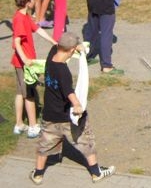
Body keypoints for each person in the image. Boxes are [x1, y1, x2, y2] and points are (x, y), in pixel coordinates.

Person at [30, 32, 115, 185]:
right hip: (67, 117)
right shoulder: (63, 72)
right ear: (72, 50)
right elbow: (68, 91)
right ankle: (96, 173)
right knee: (85, 140)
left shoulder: (51, 57)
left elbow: (56, 45)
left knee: (45, 144)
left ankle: (38, 174)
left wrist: (78, 47)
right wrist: (77, 104)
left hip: (50, 115)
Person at [11, 0, 57, 138]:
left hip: (21, 62)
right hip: (25, 63)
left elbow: (37, 29)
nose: (34, 0)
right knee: (29, 94)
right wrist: (25, 60)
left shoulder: (25, 16)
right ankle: (33, 126)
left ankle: (19, 124)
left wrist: (53, 41)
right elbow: (17, 42)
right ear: (27, 2)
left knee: (20, 93)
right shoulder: (19, 19)